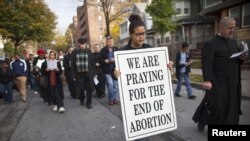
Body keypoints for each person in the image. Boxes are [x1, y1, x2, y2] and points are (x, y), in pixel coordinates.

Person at [113, 14, 173, 141]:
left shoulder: (150, 49)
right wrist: (115, 73)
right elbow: (117, 75)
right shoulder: (122, 52)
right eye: (137, 34)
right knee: (136, 131)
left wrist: (168, 67)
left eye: (143, 34)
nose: (141, 37)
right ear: (130, 34)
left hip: (148, 97)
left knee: (145, 128)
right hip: (132, 99)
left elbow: (159, 72)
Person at [192, 17, 248, 132]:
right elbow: (206, 63)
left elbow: (236, 59)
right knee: (218, 107)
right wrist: (207, 80)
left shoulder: (233, 42)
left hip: (233, 82)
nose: (232, 30)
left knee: (231, 107)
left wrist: (242, 57)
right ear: (221, 28)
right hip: (218, 82)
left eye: (234, 28)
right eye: (230, 28)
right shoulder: (211, 44)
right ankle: (204, 121)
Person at [71, 37, 95, 109]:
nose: (82, 45)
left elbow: (92, 63)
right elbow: (72, 64)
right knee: (81, 89)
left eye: (84, 44)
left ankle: (89, 103)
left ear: (85, 43)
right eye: (81, 44)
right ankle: (82, 99)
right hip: (79, 74)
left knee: (89, 89)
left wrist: (93, 73)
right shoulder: (75, 52)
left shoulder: (89, 51)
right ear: (79, 44)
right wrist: (73, 75)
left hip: (88, 73)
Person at [99, 36, 119, 105]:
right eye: (109, 41)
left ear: (113, 42)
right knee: (110, 85)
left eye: (112, 41)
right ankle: (110, 99)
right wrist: (105, 61)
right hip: (107, 71)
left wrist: (115, 59)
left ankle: (114, 98)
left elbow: (120, 58)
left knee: (115, 86)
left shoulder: (116, 49)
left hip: (115, 70)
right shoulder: (103, 50)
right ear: (107, 42)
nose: (111, 43)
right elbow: (99, 59)